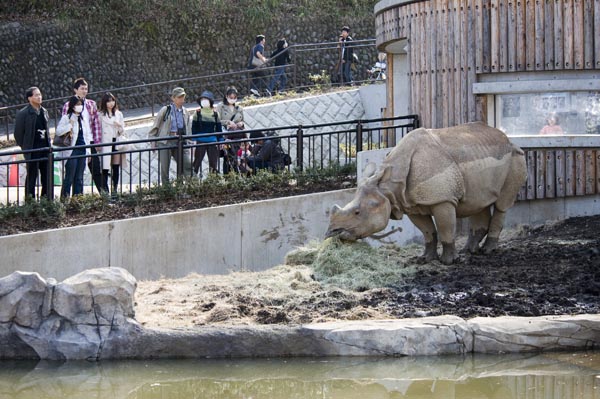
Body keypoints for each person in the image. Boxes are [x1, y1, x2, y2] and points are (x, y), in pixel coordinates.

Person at [61, 78, 104, 193]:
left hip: (88, 143)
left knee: (92, 172)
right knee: (70, 176)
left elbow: (95, 124)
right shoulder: (68, 106)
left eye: (86, 89)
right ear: (75, 90)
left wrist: (96, 142)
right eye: (82, 88)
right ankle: (64, 202)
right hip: (73, 145)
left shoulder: (91, 104)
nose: (85, 91)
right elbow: (64, 128)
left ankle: (104, 195)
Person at [147, 87, 193, 183]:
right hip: (165, 141)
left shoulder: (185, 112)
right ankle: (166, 190)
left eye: (183, 97)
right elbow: (156, 126)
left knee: (186, 164)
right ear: (173, 98)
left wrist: (189, 142)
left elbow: (188, 128)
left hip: (180, 141)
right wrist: (153, 141)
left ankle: (192, 186)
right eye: (179, 97)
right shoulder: (166, 110)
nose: (182, 99)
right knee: (165, 167)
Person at [13, 86, 51, 200]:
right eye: (36, 95)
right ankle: (30, 201)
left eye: (40, 94)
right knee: (32, 177)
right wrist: (25, 147)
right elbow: (18, 134)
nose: (39, 97)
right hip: (32, 149)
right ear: (29, 98)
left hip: (45, 148)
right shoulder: (23, 113)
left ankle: (46, 199)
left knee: (46, 177)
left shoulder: (44, 111)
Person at [57, 96, 93, 198]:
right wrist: (70, 124)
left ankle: (78, 200)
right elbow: (59, 131)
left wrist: (89, 152)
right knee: (69, 177)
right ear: (72, 106)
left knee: (79, 177)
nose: (80, 106)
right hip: (71, 151)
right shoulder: (66, 117)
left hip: (82, 150)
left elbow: (87, 136)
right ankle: (65, 200)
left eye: (81, 104)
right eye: (77, 104)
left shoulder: (83, 119)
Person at [98, 92, 126, 195]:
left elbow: (123, 131)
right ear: (104, 103)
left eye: (112, 100)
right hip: (105, 142)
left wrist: (119, 126)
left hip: (116, 141)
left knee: (115, 167)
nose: (111, 103)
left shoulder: (118, 114)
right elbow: (98, 130)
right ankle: (105, 191)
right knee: (105, 168)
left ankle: (115, 190)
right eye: (108, 101)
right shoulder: (100, 115)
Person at [191, 90, 223, 176]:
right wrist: (194, 140)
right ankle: (193, 180)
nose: (204, 101)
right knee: (197, 162)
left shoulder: (216, 114)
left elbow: (219, 129)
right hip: (200, 141)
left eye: (206, 99)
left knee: (213, 163)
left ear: (210, 101)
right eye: (202, 99)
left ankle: (212, 181)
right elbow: (194, 128)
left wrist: (220, 140)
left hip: (212, 141)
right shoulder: (197, 113)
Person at [217, 86, 246, 174]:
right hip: (227, 136)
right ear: (226, 96)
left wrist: (241, 123)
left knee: (238, 155)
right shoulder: (221, 106)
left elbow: (243, 120)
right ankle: (227, 176)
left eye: (234, 97)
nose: (232, 99)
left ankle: (238, 173)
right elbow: (217, 121)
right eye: (231, 97)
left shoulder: (239, 108)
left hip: (238, 136)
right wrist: (228, 122)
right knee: (228, 155)